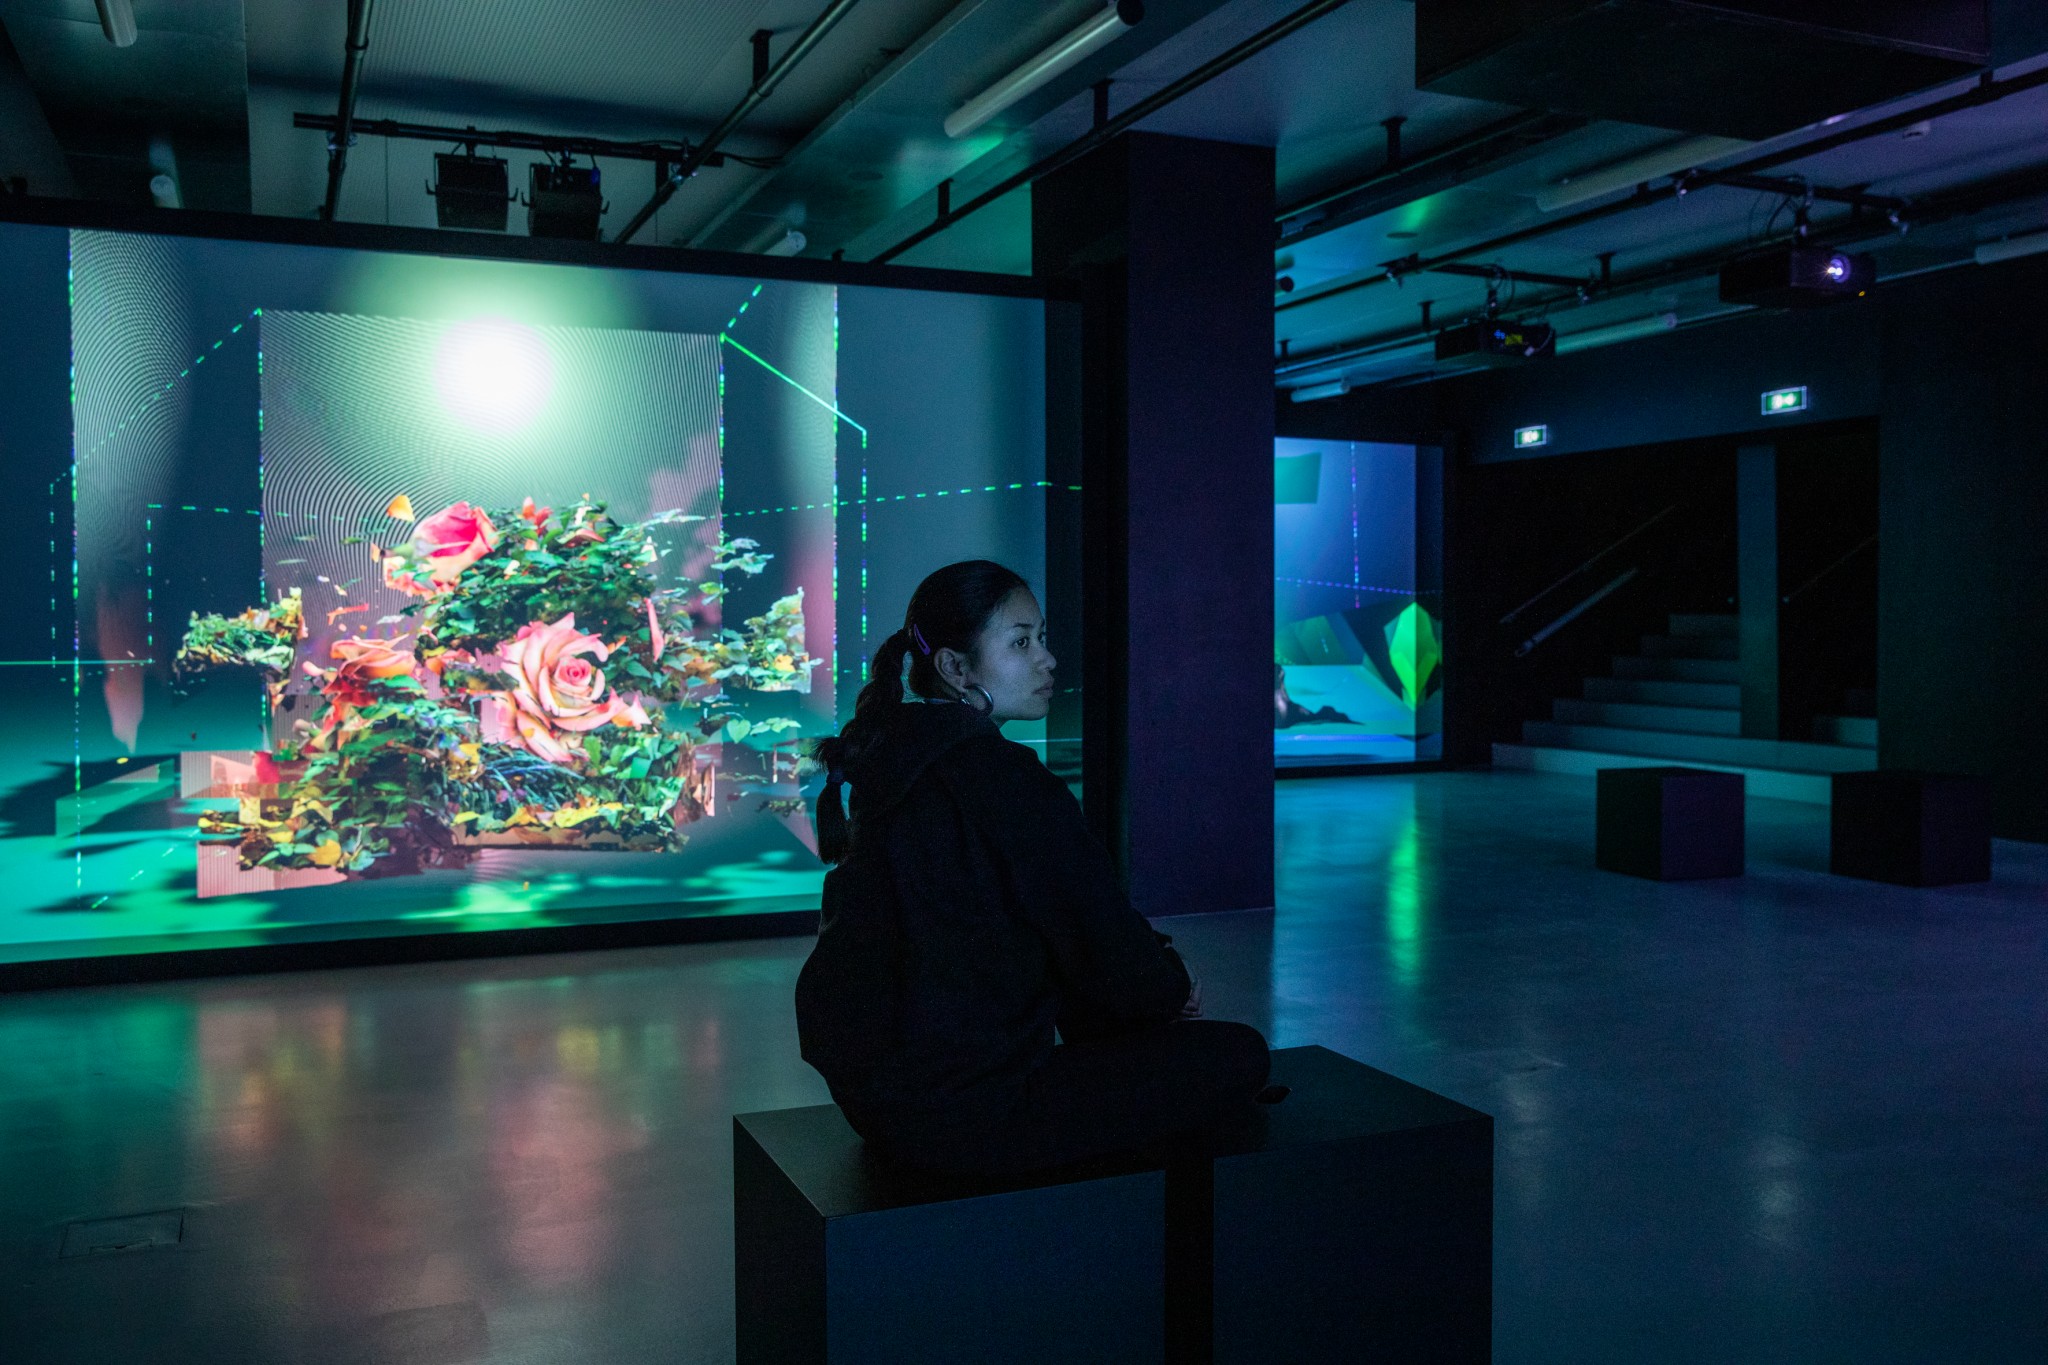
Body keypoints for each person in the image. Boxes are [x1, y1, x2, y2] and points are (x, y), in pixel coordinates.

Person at [795, 559, 1275, 1175]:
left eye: (1041, 638)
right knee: (1240, 1055)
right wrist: (1172, 985)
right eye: (1021, 643)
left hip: (879, 1106)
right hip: (971, 1115)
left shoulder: (891, 765)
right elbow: (1101, 936)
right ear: (956, 669)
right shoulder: (1007, 780)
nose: (1047, 660)